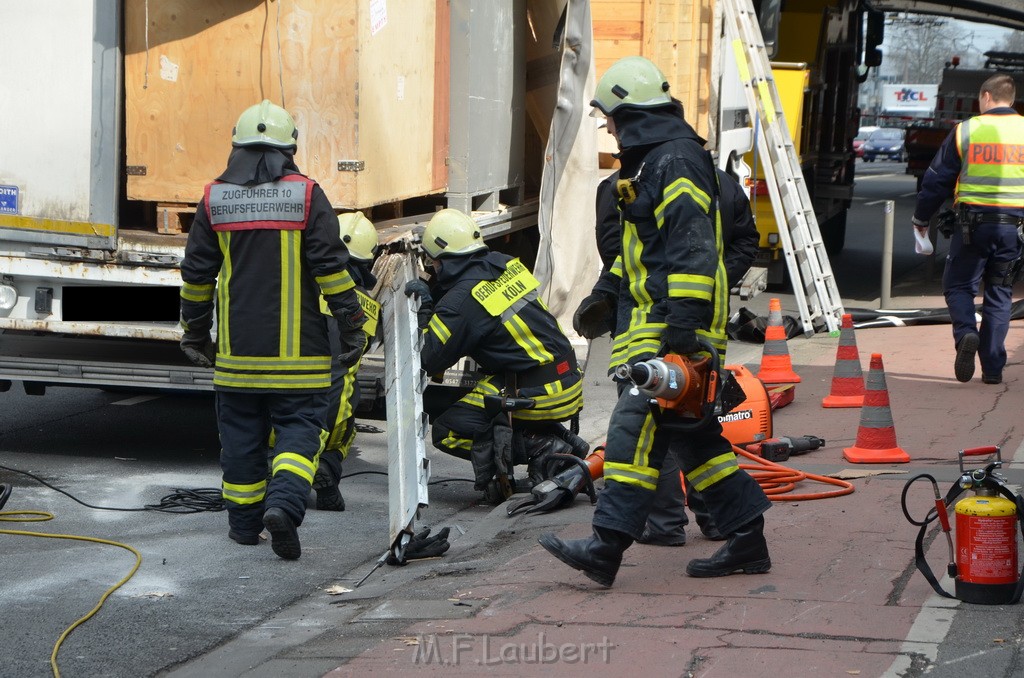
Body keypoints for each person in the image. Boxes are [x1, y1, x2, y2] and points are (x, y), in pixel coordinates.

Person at [538, 56, 771, 586]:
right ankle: (748, 539)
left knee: (631, 431)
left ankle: (606, 546)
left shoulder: (675, 161)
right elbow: (643, 248)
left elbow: (692, 247)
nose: (609, 128)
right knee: (696, 441)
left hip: (671, 325)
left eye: (609, 118)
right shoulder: (651, 164)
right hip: (656, 321)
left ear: (629, 112)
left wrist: (684, 330)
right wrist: (604, 293)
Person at [179, 100, 366, 560]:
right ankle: (282, 505)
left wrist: (195, 334)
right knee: (300, 431)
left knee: (241, 439)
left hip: (238, 358)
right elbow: (332, 270)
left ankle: (244, 526)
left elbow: (197, 277)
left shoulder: (213, 198)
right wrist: (352, 325)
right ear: (289, 148)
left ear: (236, 146)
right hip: (299, 358)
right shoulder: (306, 195)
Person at [404, 208, 588, 503]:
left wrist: (425, 308)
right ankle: (561, 440)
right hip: (566, 378)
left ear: (446, 259)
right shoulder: (505, 264)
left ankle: (544, 448)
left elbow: (427, 358)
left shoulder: (462, 301)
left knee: (448, 429)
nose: (433, 267)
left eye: (433, 261)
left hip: (536, 389)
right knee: (475, 402)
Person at [912, 73, 1024, 385]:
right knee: (1000, 292)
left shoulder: (967, 130)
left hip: (972, 226)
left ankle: (965, 335)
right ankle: (992, 369)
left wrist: (922, 218)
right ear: (1011, 99)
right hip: (1014, 228)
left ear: (986, 97)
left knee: (958, 285)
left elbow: (937, 180)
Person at [311, 211, 380, 512]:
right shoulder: (366, 305)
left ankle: (277, 478)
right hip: (336, 409)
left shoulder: (305, 286)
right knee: (342, 435)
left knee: (286, 438)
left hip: (288, 389)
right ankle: (327, 466)